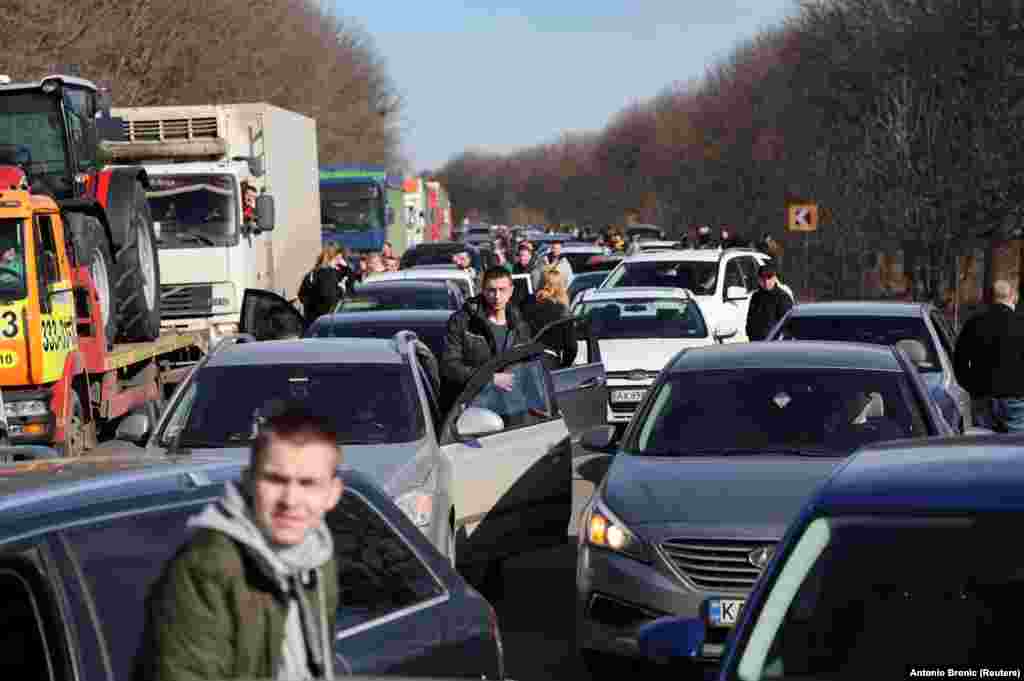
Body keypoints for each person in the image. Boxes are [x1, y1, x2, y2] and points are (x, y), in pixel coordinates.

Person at [140, 403, 342, 681]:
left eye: (308, 483)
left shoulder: (317, 558)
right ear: (248, 481)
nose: (290, 500)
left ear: (333, 493)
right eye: (275, 480)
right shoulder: (207, 569)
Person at [440, 266, 532, 405]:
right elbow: (450, 366)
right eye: (491, 290)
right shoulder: (463, 321)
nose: (497, 296)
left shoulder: (519, 324)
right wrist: (490, 378)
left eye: (502, 290)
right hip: (475, 406)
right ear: (483, 290)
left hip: (513, 407)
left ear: (511, 291)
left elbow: (528, 366)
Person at [953, 280, 1024, 432]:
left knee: (985, 448)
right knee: (1015, 450)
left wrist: (972, 387)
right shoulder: (1020, 324)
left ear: (989, 298)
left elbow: (959, 361)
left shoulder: (974, 323)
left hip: (982, 397)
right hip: (1016, 399)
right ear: (1014, 297)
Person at [521, 267, 577, 370]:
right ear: (561, 287)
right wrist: (564, 366)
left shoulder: (526, 304)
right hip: (550, 364)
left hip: (526, 361)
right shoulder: (562, 310)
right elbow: (571, 348)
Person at [746, 264, 793, 341]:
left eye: (769, 277)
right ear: (758, 279)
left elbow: (788, 325)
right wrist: (750, 334)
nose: (766, 281)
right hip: (756, 343)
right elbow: (750, 321)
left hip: (774, 346)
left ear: (774, 278)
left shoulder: (782, 297)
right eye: (763, 278)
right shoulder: (755, 297)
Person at [298, 246, 342, 326]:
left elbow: (301, 295)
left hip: (311, 321)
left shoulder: (311, 274)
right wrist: (341, 290)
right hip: (327, 322)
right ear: (332, 259)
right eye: (338, 259)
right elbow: (330, 298)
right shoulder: (330, 274)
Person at [510, 243, 534, 308]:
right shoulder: (516, 267)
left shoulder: (535, 268)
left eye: (524, 256)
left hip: (530, 302)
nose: (522, 258)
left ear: (530, 256)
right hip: (517, 302)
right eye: (520, 256)